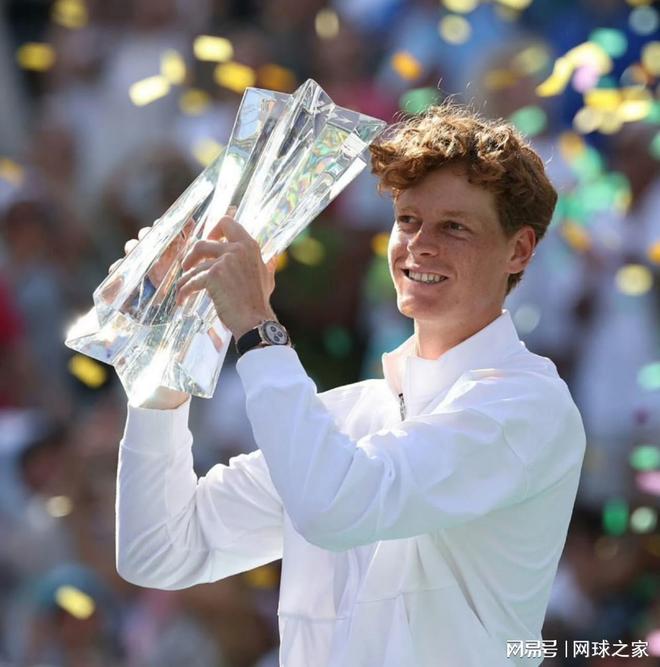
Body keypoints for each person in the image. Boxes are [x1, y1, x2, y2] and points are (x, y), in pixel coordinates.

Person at [115, 103, 586, 667]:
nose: (420, 244)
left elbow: (335, 507)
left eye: (454, 227)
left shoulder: (528, 404)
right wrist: (171, 343)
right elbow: (159, 550)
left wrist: (257, 326)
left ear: (519, 250)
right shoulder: (345, 416)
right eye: (407, 220)